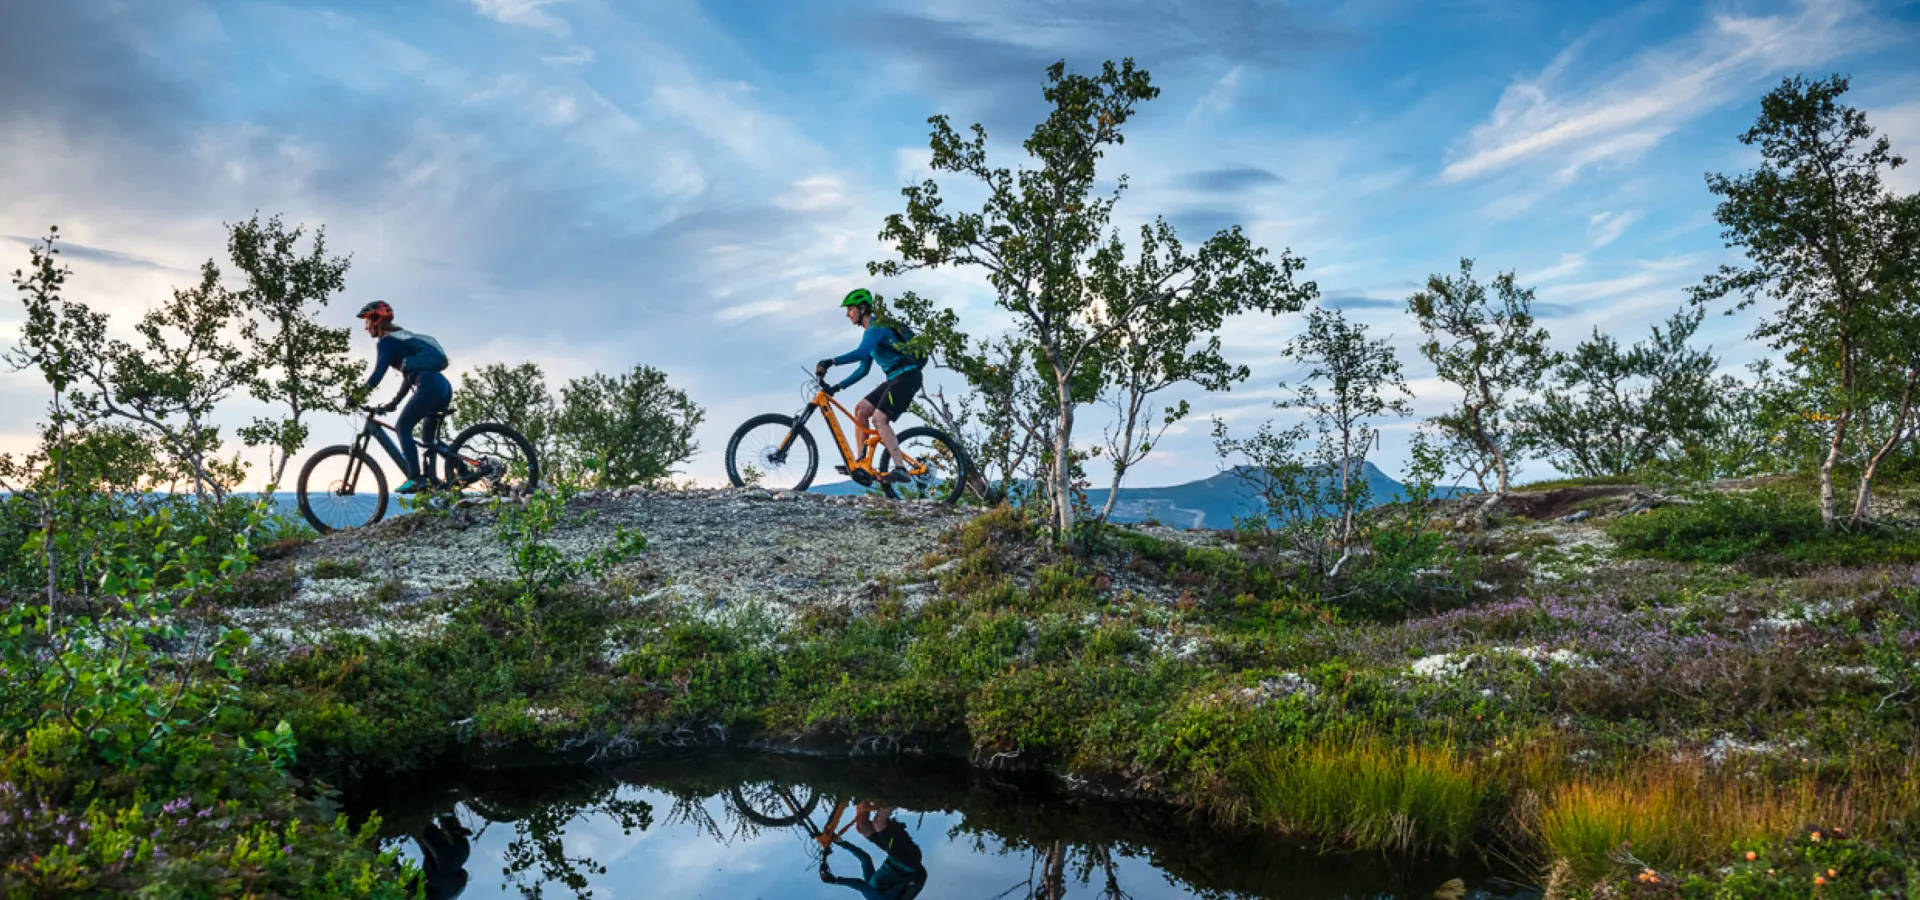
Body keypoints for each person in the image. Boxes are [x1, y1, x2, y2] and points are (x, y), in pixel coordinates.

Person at [815, 289, 925, 484]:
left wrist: (831, 361)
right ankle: (861, 464)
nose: (847, 314)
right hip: (894, 377)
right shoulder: (870, 334)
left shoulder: (876, 327)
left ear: (862, 308)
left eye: (850, 309)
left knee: (879, 419)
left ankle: (900, 468)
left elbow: (860, 352)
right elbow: (863, 369)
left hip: (907, 375)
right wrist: (837, 387)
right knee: (860, 410)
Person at [357, 301, 451, 494]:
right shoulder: (402, 340)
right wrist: (394, 403)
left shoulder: (387, 342)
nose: (366, 328)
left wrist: (358, 395)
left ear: (376, 321)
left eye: (367, 322)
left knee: (402, 427)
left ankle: (416, 478)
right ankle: (461, 473)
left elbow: (378, 374)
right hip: (442, 386)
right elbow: (410, 377)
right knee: (428, 440)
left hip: (429, 385)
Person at [818, 801, 927, 900]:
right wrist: (836, 880)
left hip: (895, 856)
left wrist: (840, 842)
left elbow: (864, 858)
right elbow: (861, 885)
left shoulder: (871, 885)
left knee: (863, 826)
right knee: (879, 823)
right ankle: (897, 793)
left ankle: (862, 794)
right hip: (908, 861)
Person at [414, 810, 472, 900]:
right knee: (451, 861)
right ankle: (447, 820)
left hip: (443, 868)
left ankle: (444, 821)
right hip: (449, 868)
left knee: (451, 860)